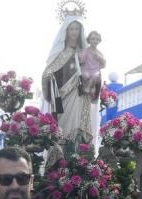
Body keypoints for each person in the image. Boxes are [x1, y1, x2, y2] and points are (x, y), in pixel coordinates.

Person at [42, 15, 99, 152]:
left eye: (77, 29)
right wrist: (52, 78)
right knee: (63, 128)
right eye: (71, 29)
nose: (74, 32)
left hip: (81, 96)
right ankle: (62, 156)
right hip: (63, 97)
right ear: (66, 31)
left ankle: (79, 156)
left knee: (79, 128)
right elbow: (48, 73)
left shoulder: (86, 53)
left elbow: (95, 73)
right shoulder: (59, 53)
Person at [78, 30, 105, 101]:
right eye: (93, 39)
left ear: (99, 41)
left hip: (95, 71)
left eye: (97, 39)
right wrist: (80, 56)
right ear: (89, 40)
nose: (95, 41)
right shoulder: (86, 50)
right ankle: (91, 88)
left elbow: (104, 64)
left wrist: (99, 58)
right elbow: (81, 60)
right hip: (87, 69)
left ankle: (89, 88)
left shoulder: (99, 53)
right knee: (85, 75)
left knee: (95, 76)